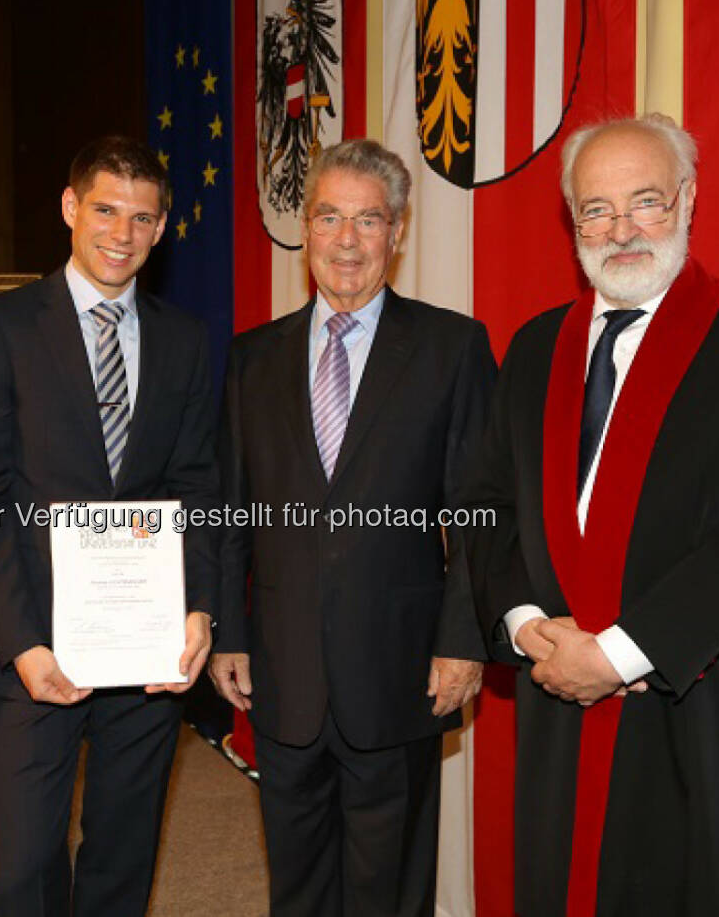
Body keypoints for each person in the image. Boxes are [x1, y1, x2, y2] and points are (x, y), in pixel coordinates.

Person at [469, 114, 719, 916]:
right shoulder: (533, 351)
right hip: (557, 687)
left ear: (688, 199)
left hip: (690, 697)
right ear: (572, 222)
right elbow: (491, 507)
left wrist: (624, 653)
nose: (621, 229)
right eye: (596, 209)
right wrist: (529, 627)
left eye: (646, 201)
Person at [208, 139, 496, 917]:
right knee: (296, 882)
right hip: (281, 667)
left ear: (396, 233)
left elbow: (478, 511)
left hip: (401, 670)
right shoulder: (251, 359)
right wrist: (230, 632)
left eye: (367, 220)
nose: (345, 238)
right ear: (305, 226)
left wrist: (464, 638)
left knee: (389, 886)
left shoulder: (452, 348)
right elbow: (232, 510)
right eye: (328, 216)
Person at [0, 136, 219, 917]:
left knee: (123, 851)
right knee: (24, 863)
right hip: (33, 643)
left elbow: (197, 484)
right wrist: (21, 642)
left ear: (162, 226)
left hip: (146, 647)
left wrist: (198, 608)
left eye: (142, 217)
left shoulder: (184, 339)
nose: (121, 233)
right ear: (71, 208)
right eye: (105, 209)